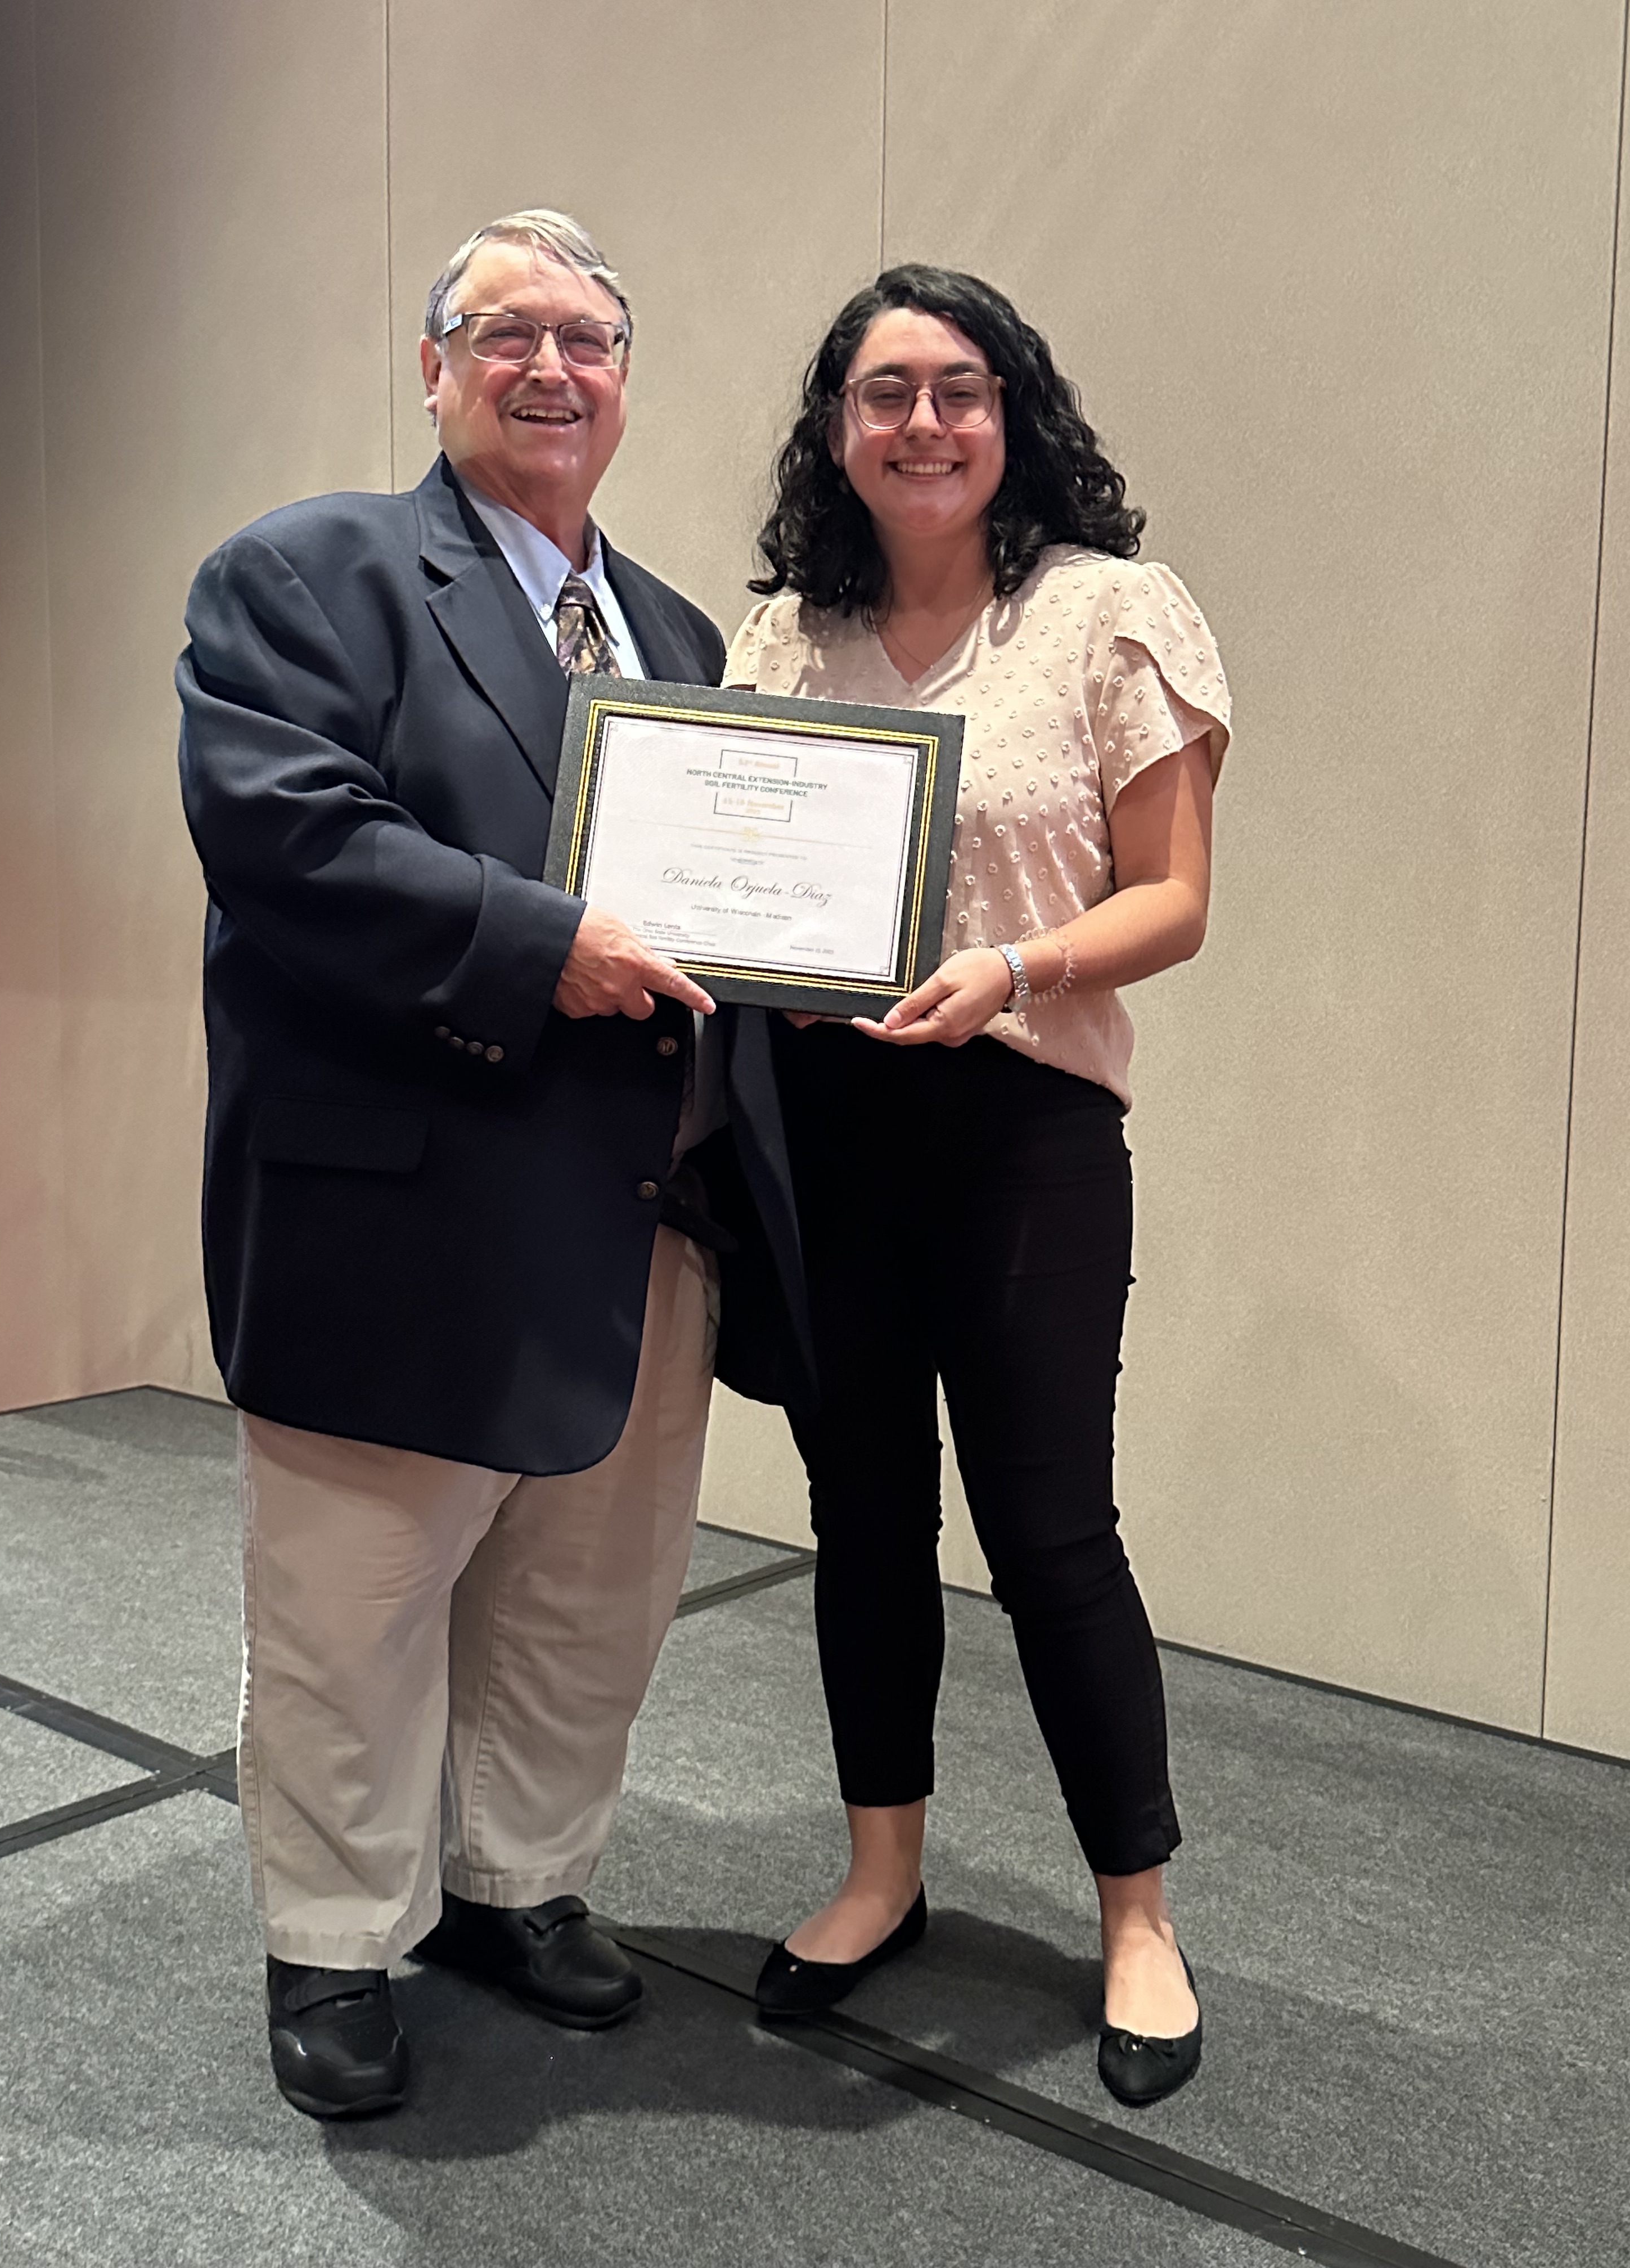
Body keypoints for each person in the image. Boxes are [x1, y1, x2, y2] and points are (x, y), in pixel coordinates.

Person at [176, 210, 804, 2120]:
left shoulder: (679, 633)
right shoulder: (307, 574)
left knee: (586, 1595)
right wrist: (550, 950)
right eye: (506, 332)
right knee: (355, 1603)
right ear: (435, 366)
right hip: (408, 1208)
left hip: (642, 1219)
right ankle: (333, 1938)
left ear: (625, 380)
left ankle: (514, 1886)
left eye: (588, 340)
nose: (552, 369)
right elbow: (287, 835)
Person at [723, 265, 1230, 2108]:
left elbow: (1176, 901)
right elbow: (732, 863)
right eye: (885, 393)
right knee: (860, 1516)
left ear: (1013, 414)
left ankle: (1139, 1918)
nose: (923, 423)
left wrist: (1014, 969)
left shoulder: (1106, 615)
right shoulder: (785, 635)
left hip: (1024, 1129)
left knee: (1048, 1530)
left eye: (960, 388)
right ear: (835, 429)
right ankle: (883, 1874)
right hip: (824, 1126)